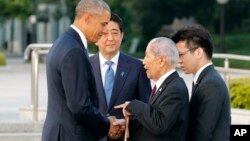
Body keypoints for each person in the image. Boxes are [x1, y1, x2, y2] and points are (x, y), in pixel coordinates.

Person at [41, 0, 122, 141]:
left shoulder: (63, 42)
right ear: (87, 18)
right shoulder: (74, 51)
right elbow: (80, 106)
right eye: (103, 24)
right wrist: (106, 124)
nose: (104, 31)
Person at [89, 13, 151, 140]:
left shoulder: (137, 67)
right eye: (105, 33)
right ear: (96, 38)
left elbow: (146, 108)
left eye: (115, 32)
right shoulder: (85, 66)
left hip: (125, 136)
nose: (110, 38)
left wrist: (127, 124)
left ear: (122, 35)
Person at [115, 37, 189, 141]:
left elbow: (160, 124)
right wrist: (128, 124)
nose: (144, 62)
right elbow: (153, 120)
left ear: (161, 60)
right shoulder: (165, 85)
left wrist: (133, 105)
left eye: (147, 56)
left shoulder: (175, 88)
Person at [171, 26, 231, 141]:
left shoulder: (211, 84)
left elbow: (203, 133)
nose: (179, 60)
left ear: (198, 52)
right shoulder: (204, 79)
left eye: (181, 54)